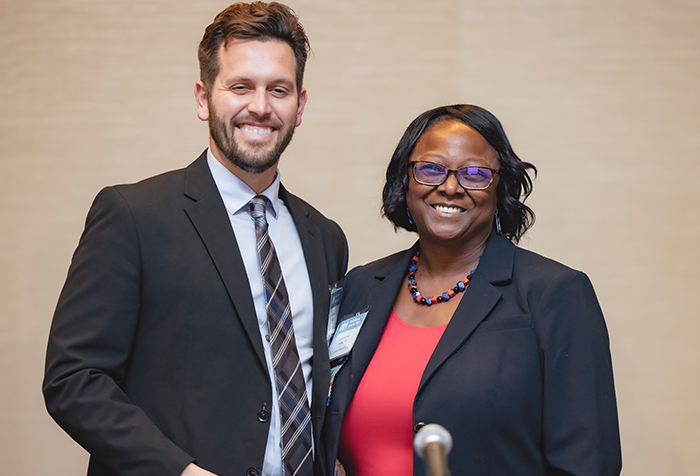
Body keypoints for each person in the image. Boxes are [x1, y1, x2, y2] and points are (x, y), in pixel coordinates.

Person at [42, 3, 348, 476]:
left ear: (299, 106)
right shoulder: (134, 216)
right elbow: (74, 379)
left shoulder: (324, 238)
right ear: (204, 98)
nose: (260, 107)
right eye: (240, 86)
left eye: (278, 90)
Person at [321, 104, 622, 476]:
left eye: (475, 173)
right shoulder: (361, 286)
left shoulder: (554, 294)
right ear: (406, 180)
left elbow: (587, 463)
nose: (450, 187)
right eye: (431, 169)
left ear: (501, 187)